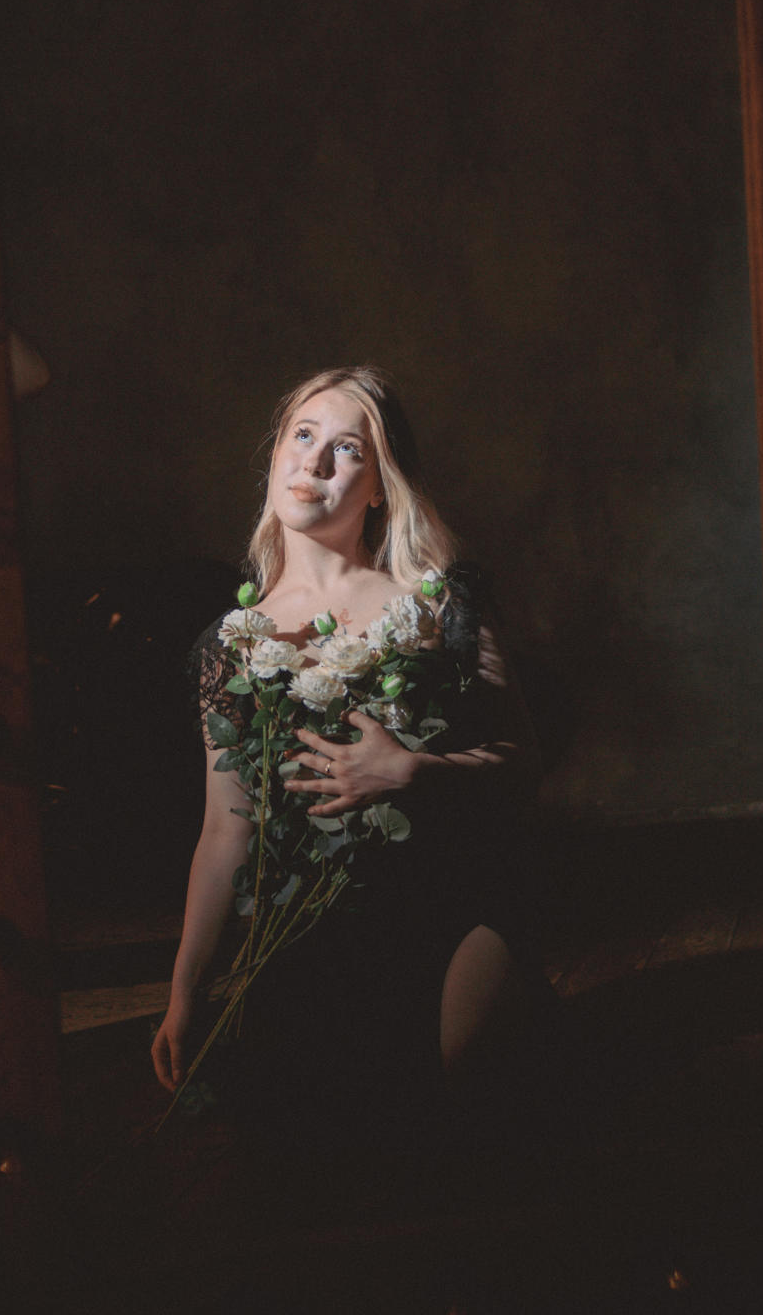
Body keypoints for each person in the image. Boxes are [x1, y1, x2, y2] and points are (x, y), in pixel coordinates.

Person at [151, 366, 551, 1194]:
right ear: (274, 457)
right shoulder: (230, 647)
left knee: (468, 1120)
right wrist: (185, 992)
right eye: (302, 436)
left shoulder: (439, 605)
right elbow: (225, 831)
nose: (315, 462)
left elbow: (522, 764)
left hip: (447, 905)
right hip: (310, 930)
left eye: (347, 450)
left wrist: (412, 771)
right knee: (312, 1163)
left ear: (378, 488)